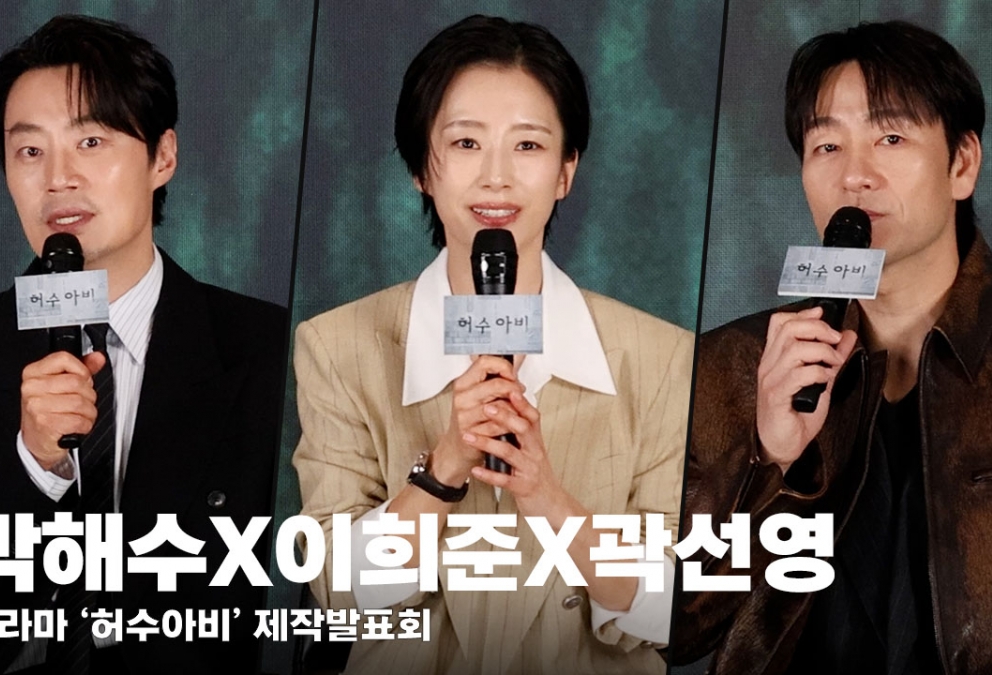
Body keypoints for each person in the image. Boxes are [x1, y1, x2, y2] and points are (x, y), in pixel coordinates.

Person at [674, 20, 992, 673]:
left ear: (962, 164)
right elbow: (671, 625)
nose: (855, 176)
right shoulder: (726, 369)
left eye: (891, 138)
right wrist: (767, 459)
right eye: (826, 145)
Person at [293, 15, 693, 675]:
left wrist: (547, 498)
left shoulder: (662, 356)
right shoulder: (337, 345)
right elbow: (336, 588)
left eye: (528, 145)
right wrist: (443, 466)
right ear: (422, 168)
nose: (497, 178)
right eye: (466, 142)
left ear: (566, 170)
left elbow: (673, 608)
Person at [0, 15, 286, 674]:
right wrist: (33, 465)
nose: (59, 178)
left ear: (162, 157)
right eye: (30, 151)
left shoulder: (272, 347)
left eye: (91, 141)